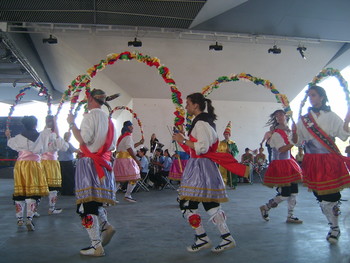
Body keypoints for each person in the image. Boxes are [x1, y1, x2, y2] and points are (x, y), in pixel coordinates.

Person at [173, 93, 247, 253]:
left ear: (196, 105)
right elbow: (200, 147)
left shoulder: (201, 124)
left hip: (199, 168)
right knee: (209, 203)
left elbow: (202, 148)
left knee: (187, 204)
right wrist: (183, 140)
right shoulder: (203, 123)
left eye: (188, 103)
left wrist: (183, 140)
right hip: (202, 167)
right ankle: (224, 238)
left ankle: (203, 237)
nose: (186, 107)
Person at [292, 85, 350, 244]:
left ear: (322, 97)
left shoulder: (331, 116)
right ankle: (332, 225)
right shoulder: (304, 119)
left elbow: (344, 135)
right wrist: (295, 133)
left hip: (329, 160)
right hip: (313, 162)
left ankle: (335, 228)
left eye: (314, 95)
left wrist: (346, 120)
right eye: (310, 95)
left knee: (331, 196)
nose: (311, 98)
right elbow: (297, 142)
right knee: (320, 197)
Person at [67, 89, 118, 257]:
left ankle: (96, 246)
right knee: (95, 201)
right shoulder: (109, 120)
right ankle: (105, 226)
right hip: (103, 164)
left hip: (89, 164)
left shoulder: (89, 117)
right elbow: (111, 145)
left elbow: (84, 139)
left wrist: (72, 124)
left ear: (89, 99)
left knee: (86, 204)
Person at [6, 116, 49, 231]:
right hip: (34, 165)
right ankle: (29, 218)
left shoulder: (18, 137)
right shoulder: (40, 136)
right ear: (35, 124)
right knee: (32, 191)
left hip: (21, 165)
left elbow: (11, 144)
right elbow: (44, 149)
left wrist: (8, 136)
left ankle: (19, 219)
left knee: (20, 191)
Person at [259, 110, 303, 224]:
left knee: (294, 192)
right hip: (281, 165)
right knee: (285, 194)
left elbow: (295, 141)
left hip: (289, 163)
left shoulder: (288, 130)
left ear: (285, 116)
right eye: (277, 115)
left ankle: (290, 215)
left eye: (281, 114)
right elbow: (281, 149)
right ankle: (266, 207)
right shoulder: (277, 133)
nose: (279, 116)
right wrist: (293, 142)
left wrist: (296, 133)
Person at [40, 115, 69, 214]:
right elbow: (64, 147)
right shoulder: (55, 135)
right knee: (53, 187)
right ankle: (51, 208)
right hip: (52, 163)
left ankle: (32, 210)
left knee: (39, 185)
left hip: (41, 162)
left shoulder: (41, 134)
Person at [113, 121, 144, 202]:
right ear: (126, 127)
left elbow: (131, 146)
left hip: (119, 160)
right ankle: (127, 195)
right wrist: (136, 160)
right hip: (126, 160)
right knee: (134, 177)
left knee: (119, 180)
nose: (132, 128)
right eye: (130, 126)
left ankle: (111, 197)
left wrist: (140, 143)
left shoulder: (123, 137)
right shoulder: (128, 137)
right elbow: (129, 149)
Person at [217, 121, 239, 189]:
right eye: (225, 134)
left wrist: (231, 151)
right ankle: (222, 183)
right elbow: (218, 151)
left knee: (232, 171)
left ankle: (232, 184)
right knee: (221, 171)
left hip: (230, 160)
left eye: (227, 134)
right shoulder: (220, 143)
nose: (226, 135)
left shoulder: (233, 143)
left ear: (229, 135)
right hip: (223, 160)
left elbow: (236, 151)